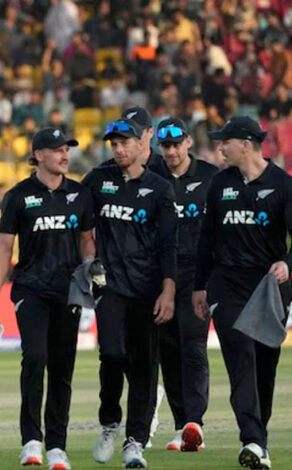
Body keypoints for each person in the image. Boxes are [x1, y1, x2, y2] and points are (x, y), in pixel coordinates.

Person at [0, 128, 95, 469]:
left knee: (62, 367)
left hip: (68, 291)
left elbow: (86, 239)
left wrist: (90, 270)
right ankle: (31, 441)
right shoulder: (17, 196)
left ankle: (57, 446)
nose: (65, 155)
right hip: (30, 289)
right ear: (39, 155)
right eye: (58, 150)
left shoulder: (79, 193)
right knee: (35, 357)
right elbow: (4, 248)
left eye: (67, 149)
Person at [193, 117, 292, 470]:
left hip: (269, 287)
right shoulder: (220, 185)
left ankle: (258, 440)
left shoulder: (283, 185)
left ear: (246, 144)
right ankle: (252, 439)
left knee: (265, 367)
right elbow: (206, 239)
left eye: (226, 141)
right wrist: (200, 286)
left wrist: (287, 264)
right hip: (227, 285)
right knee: (241, 357)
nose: (220, 147)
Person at [84, 118, 177, 469]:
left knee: (144, 367)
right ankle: (110, 421)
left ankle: (135, 441)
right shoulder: (98, 179)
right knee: (111, 354)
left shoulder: (160, 188)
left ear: (142, 144)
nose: (118, 149)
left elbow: (169, 245)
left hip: (147, 290)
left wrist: (168, 290)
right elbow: (68, 205)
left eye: (124, 142)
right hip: (110, 288)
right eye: (114, 144)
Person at [153, 118, 218, 452]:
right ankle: (182, 426)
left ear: (188, 143)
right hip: (160, 276)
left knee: (193, 345)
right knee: (168, 351)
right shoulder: (151, 176)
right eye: (166, 146)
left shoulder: (210, 177)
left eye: (177, 144)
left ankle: (195, 422)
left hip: (196, 275)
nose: (172, 151)